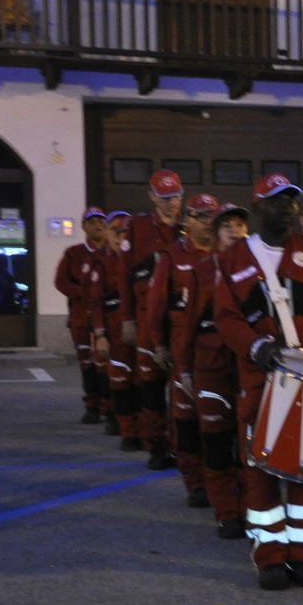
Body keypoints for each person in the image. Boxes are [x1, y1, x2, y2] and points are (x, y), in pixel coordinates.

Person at [212, 173, 303, 591]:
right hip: (260, 381)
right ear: (259, 206)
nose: (287, 207)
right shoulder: (233, 260)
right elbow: (226, 319)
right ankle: (269, 557)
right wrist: (254, 347)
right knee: (261, 470)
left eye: (292, 201)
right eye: (278, 201)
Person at [143, 193, 219, 511]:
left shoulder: (228, 255)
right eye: (201, 216)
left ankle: (222, 484)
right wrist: (158, 345)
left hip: (219, 354)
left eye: (212, 216)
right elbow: (156, 305)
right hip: (182, 351)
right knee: (186, 421)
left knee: (218, 420)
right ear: (188, 221)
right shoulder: (172, 256)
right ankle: (195, 483)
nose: (207, 222)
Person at [177, 202, 249, 540]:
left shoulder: (261, 270)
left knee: (249, 445)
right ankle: (226, 511)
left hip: (249, 369)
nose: (235, 231)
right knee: (218, 444)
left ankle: (253, 506)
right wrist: (184, 370)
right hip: (211, 369)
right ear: (216, 233)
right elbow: (186, 326)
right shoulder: (202, 272)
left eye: (240, 225)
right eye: (227, 226)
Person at [120, 170, 186, 471]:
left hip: (182, 321)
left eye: (176, 196)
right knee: (151, 387)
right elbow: (123, 276)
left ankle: (181, 448)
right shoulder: (137, 228)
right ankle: (156, 447)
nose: (172, 203)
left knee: (182, 389)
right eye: (165, 197)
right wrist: (127, 320)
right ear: (152, 196)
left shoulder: (190, 227)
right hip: (147, 321)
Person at [53, 207, 109, 424]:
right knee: (87, 363)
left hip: (106, 320)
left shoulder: (112, 253)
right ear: (84, 226)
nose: (97, 225)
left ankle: (110, 406)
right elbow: (61, 282)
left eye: (101, 222)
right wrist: (83, 293)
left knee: (106, 362)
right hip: (81, 319)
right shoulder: (74, 253)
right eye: (92, 221)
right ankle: (92, 406)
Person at [89, 211, 137, 443]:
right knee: (120, 381)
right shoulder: (102, 263)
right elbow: (96, 302)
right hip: (114, 330)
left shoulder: (137, 259)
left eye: (124, 233)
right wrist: (100, 335)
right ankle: (126, 429)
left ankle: (144, 431)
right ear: (107, 233)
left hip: (138, 330)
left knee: (141, 382)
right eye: (116, 232)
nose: (120, 237)